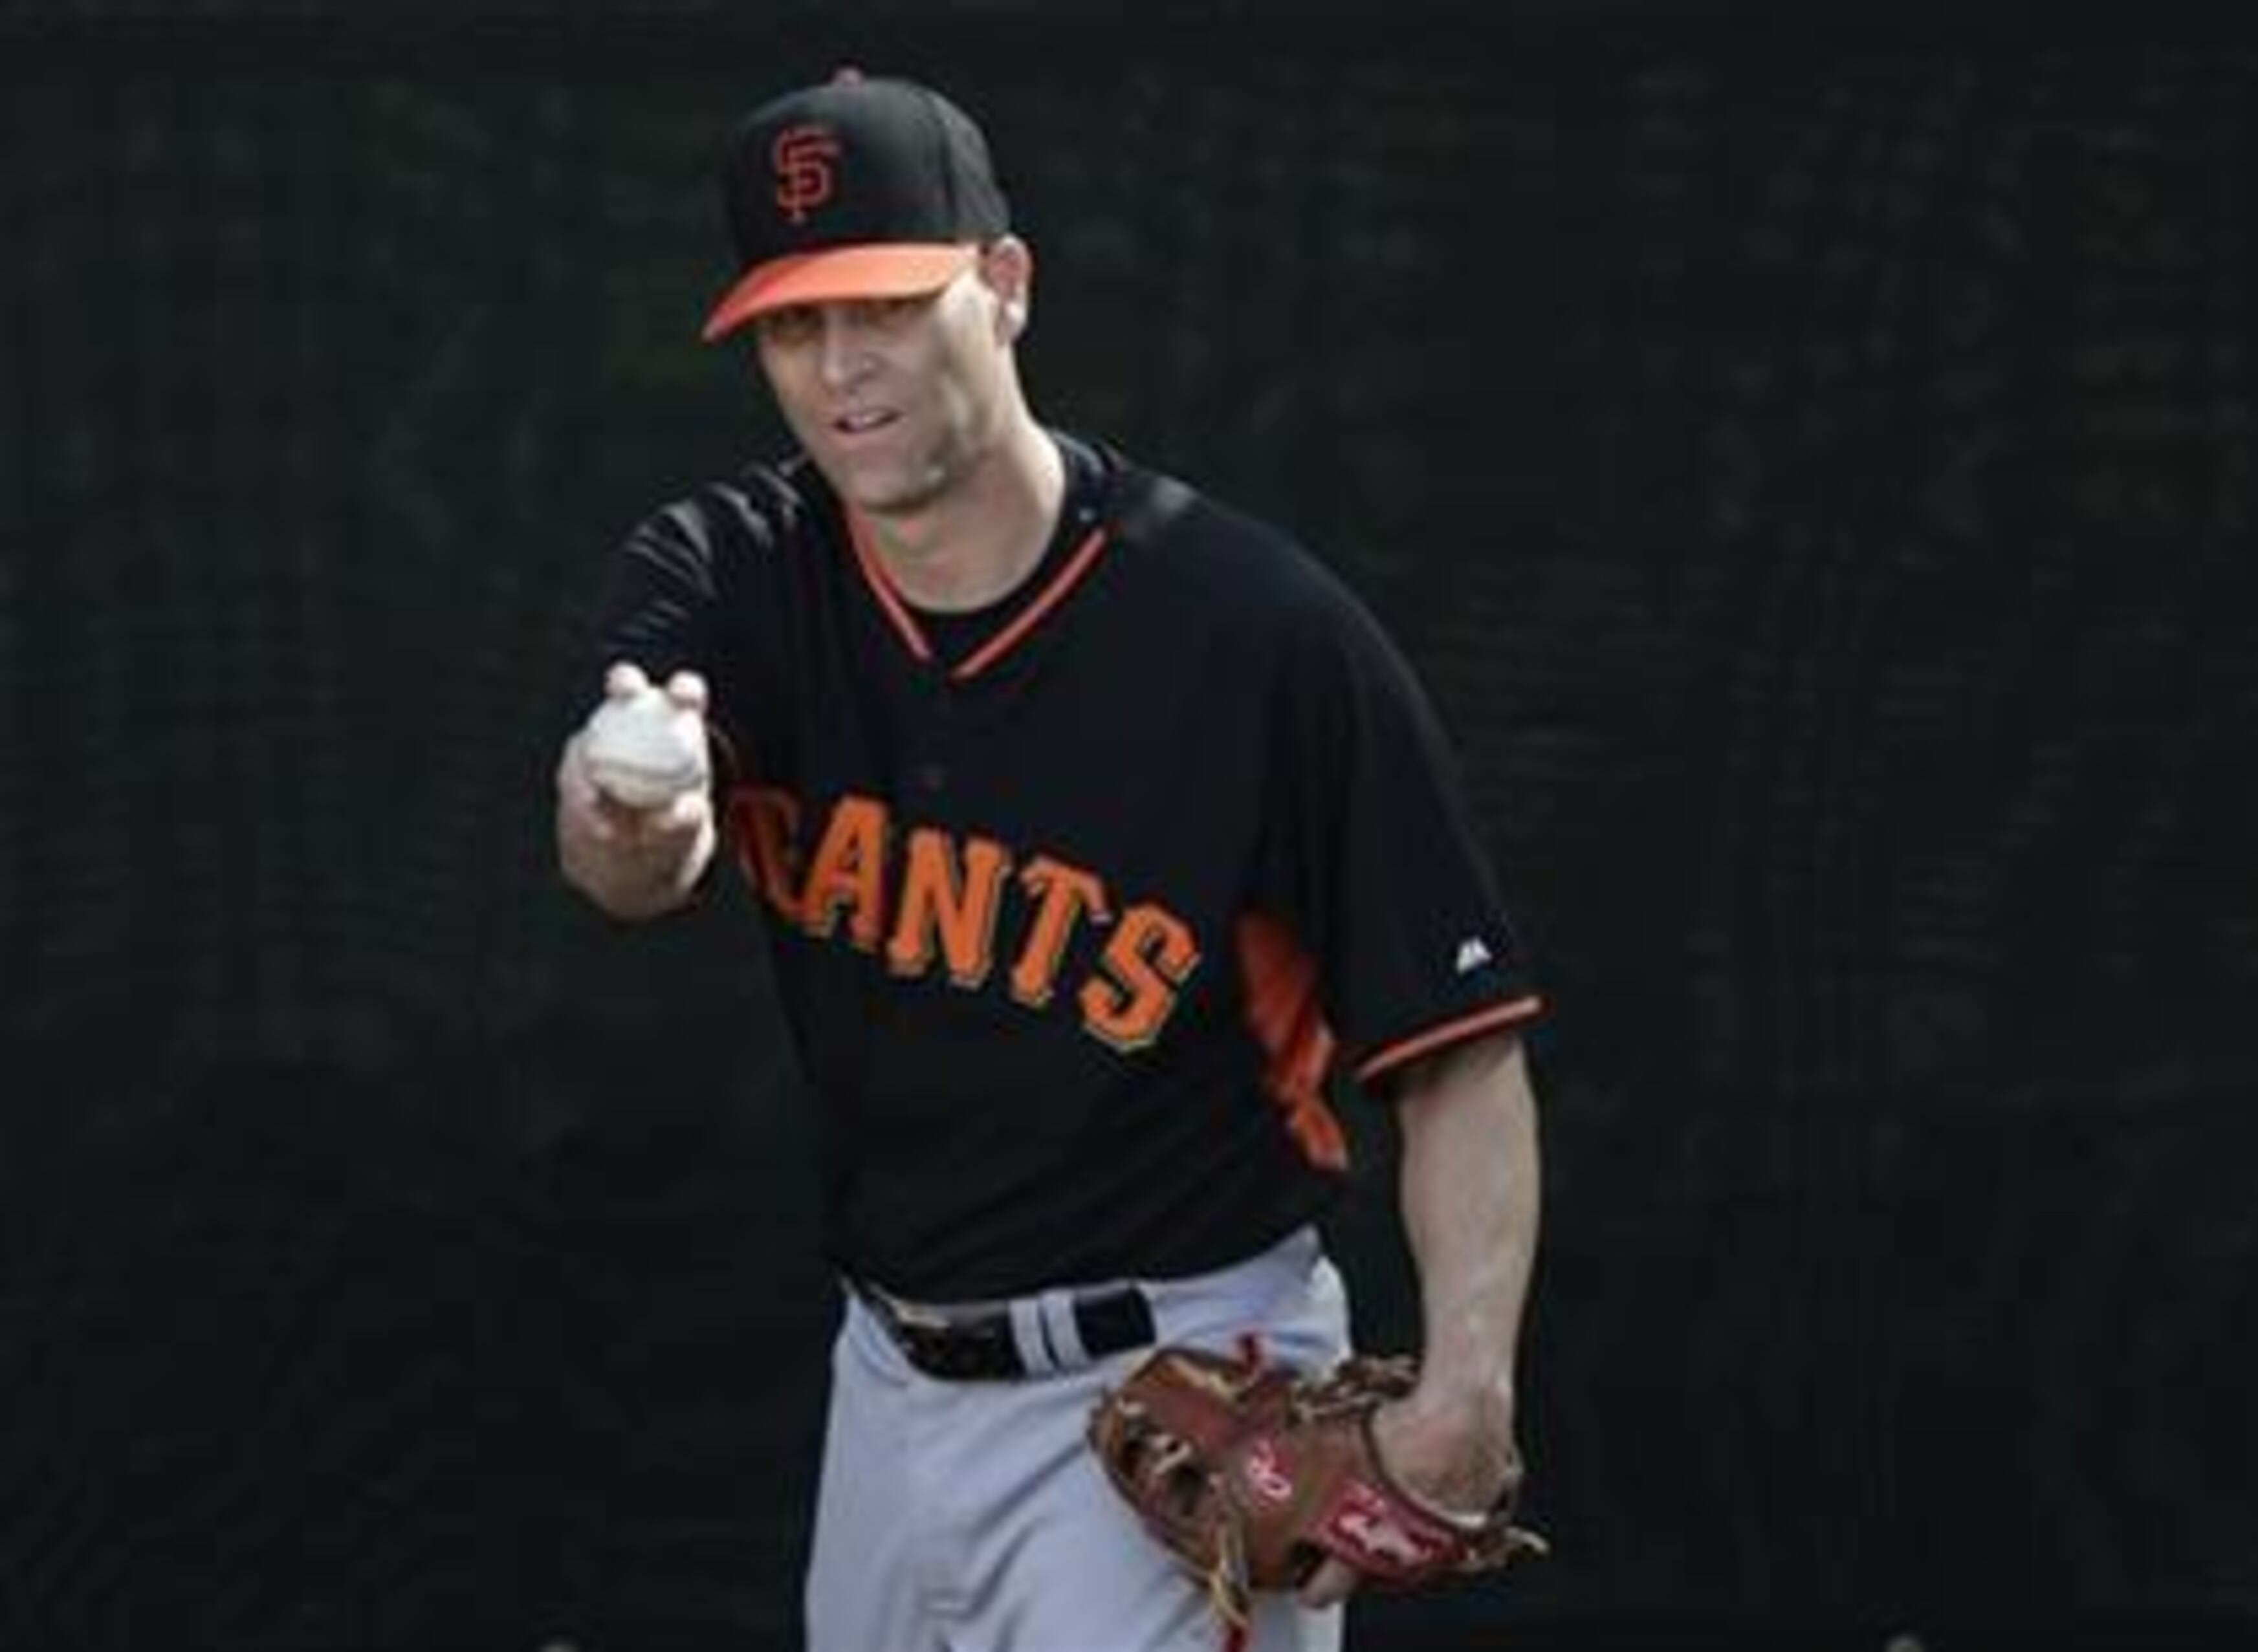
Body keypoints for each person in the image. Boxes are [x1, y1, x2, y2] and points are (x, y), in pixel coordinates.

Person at [553, 65, 1547, 1652]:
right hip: (885, 1383)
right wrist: (624, 816)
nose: (839, 368)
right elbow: (629, 851)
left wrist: (1468, 1383)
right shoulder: (735, 577)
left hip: (1173, 1386)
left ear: (1003, 287)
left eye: (884, 303)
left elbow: (1460, 1053)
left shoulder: (1256, 637)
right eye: (794, 327)